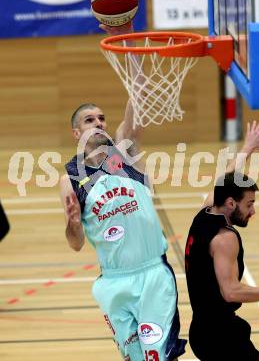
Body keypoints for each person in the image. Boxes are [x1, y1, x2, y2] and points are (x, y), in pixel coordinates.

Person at [59, 22, 186, 361]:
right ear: (76, 133)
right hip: (114, 282)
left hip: (152, 274)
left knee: (157, 357)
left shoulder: (125, 151)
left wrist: (129, 36)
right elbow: (75, 244)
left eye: (101, 118)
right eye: (89, 120)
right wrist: (72, 223)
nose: (99, 123)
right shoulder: (70, 178)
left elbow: (139, 94)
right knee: (132, 358)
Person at [185, 121, 259, 360]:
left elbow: (224, 179)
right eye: (249, 204)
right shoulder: (225, 239)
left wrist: (248, 148)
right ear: (230, 204)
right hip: (219, 338)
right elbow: (231, 292)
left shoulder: (205, 212)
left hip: (207, 331)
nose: (253, 211)